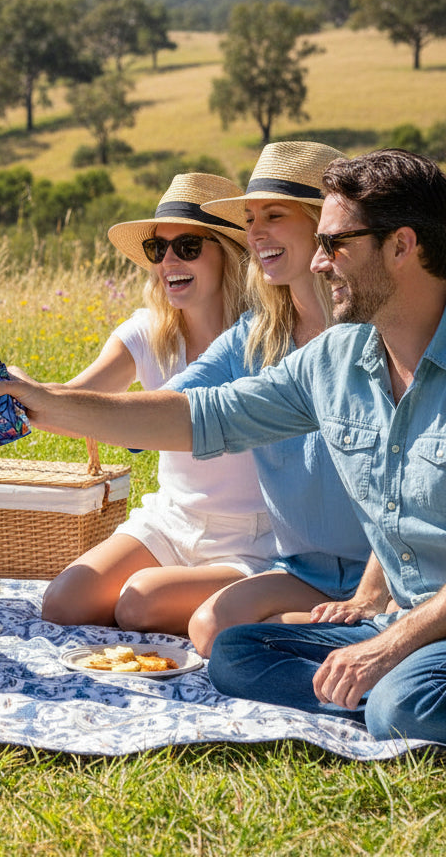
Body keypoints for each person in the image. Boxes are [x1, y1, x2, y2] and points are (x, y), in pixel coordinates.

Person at [0, 149, 446, 743]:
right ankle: (385, 687)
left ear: (402, 245)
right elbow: (200, 414)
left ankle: (390, 693)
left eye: (336, 246)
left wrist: (391, 645)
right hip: (402, 620)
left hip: (419, 622)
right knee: (234, 654)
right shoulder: (336, 361)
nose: (322, 264)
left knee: (400, 707)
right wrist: (42, 400)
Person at [161, 143, 376, 656]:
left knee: (234, 639)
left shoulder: (376, 331)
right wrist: (49, 401)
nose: (254, 234)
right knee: (212, 627)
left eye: (274, 216)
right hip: (306, 569)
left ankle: (374, 632)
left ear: (322, 224)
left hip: (388, 565)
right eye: (250, 218)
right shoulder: (252, 336)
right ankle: (353, 639)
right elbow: (172, 402)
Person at [39, 173, 276, 634]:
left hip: (252, 537)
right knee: (63, 603)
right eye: (157, 249)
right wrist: (24, 391)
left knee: (139, 604)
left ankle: (244, 604)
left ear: (228, 254)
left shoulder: (265, 339)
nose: (168, 261)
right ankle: (204, 607)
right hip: (171, 521)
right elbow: (77, 400)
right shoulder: (148, 333)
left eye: (187, 247)